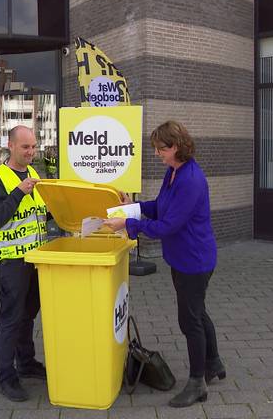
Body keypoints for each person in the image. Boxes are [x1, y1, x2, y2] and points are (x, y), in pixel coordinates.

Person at [103, 120, 224, 408]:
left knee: (189, 319)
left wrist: (128, 224)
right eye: (157, 148)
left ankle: (197, 383)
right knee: (198, 311)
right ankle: (214, 363)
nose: (158, 154)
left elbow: (167, 225)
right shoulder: (173, 172)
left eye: (162, 149)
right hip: (185, 258)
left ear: (177, 147)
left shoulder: (190, 179)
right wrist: (132, 206)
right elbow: (159, 207)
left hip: (194, 260)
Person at [0, 125, 49, 402]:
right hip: (12, 260)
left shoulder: (33, 173)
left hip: (36, 257)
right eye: (25, 147)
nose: (31, 152)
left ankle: (27, 363)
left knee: (28, 314)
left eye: (33, 147)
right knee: (10, 317)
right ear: (10, 146)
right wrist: (19, 192)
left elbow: (41, 212)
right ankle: (6, 377)